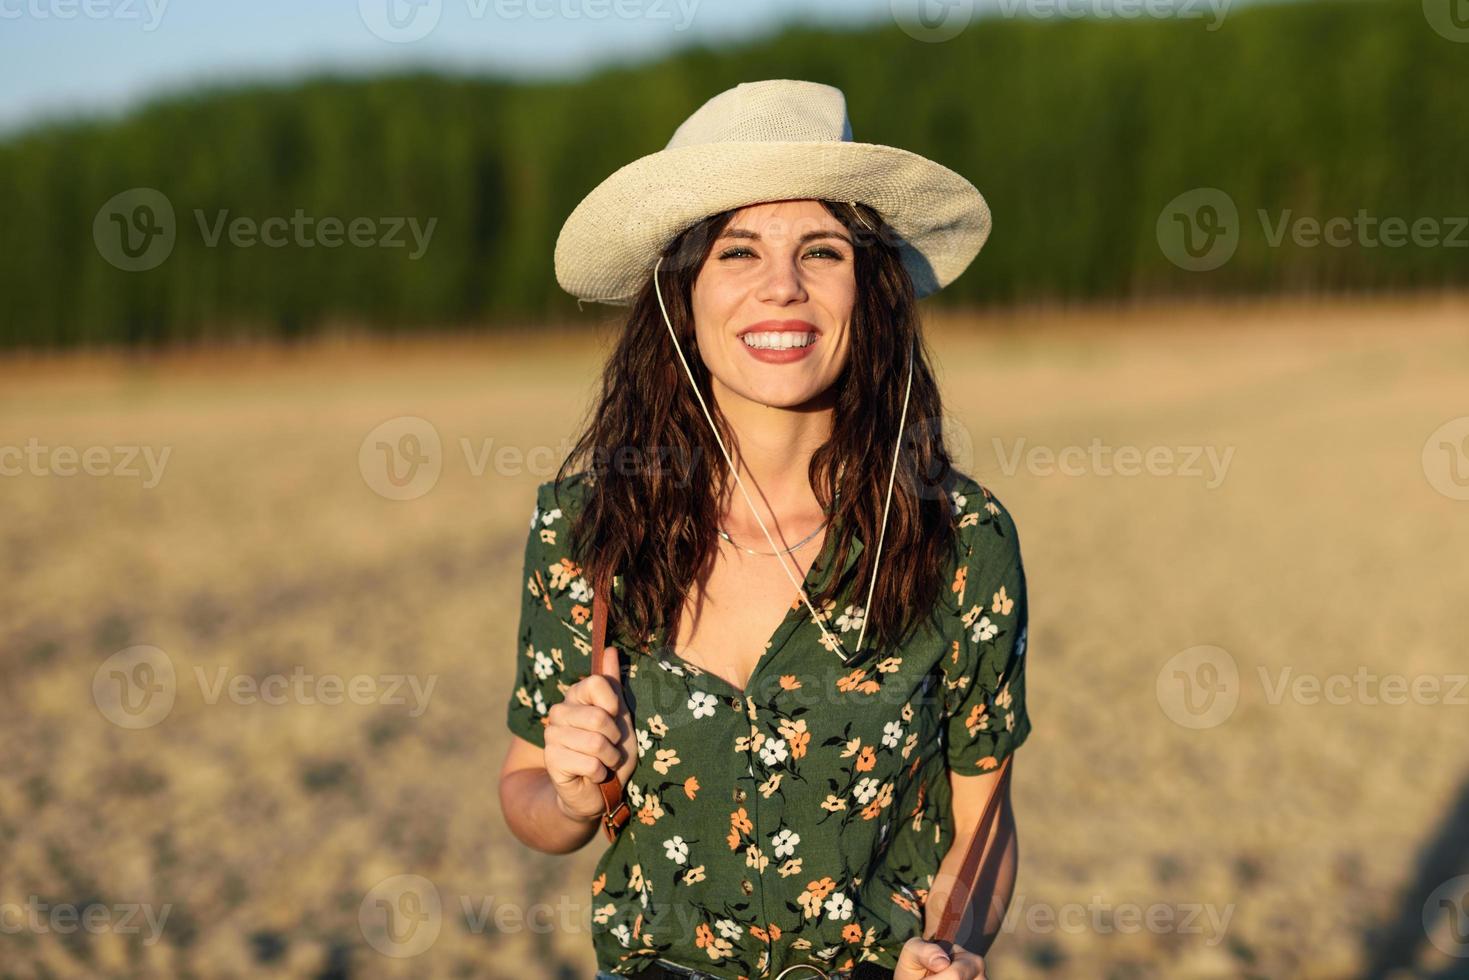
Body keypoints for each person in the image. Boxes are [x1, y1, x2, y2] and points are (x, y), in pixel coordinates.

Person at [498, 79, 1031, 980]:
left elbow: (983, 823)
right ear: (682, 294)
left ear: (869, 290)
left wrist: (952, 945)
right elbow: (527, 798)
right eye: (737, 252)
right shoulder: (589, 528)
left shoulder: (959, 538)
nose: (780, 288)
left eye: (819, 251)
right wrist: (572, 794)